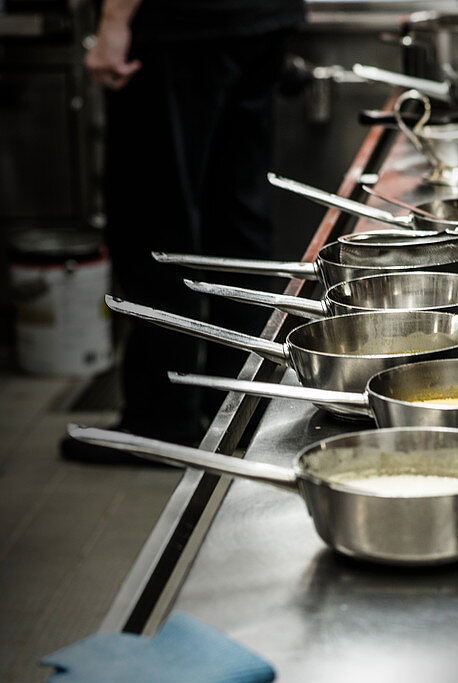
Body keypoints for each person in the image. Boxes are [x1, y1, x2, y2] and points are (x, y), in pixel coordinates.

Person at [61, 0, 305, 463]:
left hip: (178, 28)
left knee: (156, 225)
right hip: (261, 20)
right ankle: (238, 411)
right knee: (238, 221)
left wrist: (114, 20)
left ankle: (162, 421)